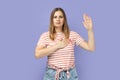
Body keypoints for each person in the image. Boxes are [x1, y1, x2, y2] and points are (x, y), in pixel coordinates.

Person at [35, 7, 95, 80]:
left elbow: (90, 48)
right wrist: (57, 46)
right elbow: (37, 54)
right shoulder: (45, 36)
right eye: (55, 17)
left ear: (64, 20)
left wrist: (90, 30)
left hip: (70, 74)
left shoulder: (72, 34)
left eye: (61, 17)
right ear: (52, 20)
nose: (58, 19)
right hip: (52, 75)